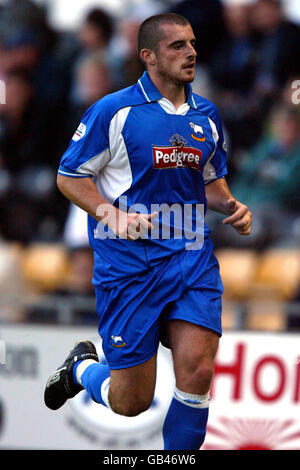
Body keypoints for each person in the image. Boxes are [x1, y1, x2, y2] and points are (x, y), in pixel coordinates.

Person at [44, 13, 252, 450]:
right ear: (148, 56)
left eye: (192, 43)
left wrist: (231, 205)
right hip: (130, 266)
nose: (191, 52)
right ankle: (82, 368)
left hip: (191, 257)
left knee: (198, 371)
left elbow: (209, 180)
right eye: (177, 46)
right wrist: (111, 215)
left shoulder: (206, 114)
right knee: (131, 402)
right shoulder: (113, 111)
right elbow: (69, 176)